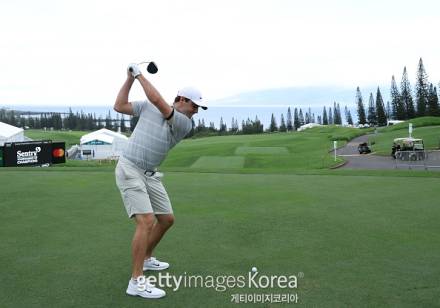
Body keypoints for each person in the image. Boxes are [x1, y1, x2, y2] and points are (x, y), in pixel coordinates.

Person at [114, 63, 207, 299]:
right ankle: (136, 281)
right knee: (145, 221)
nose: (196, 111)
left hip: (150, 172)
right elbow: (119, 106)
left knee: (166, 219)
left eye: (198, 108)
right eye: (194, 105)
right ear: (182, 99)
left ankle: (146, 259)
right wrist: (130, 79)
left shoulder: (185, 123)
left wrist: (139, 75)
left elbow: (158, 101)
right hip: (129, 167)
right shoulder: (147, 106)